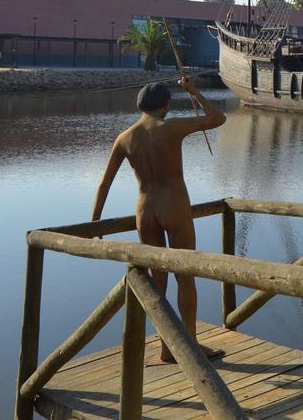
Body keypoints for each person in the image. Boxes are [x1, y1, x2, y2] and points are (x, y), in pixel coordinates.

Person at [92, 77, 227, 364]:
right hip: (174, 206)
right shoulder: (172, 127)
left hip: (145, 211)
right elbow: (218, 118)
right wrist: (193, 91)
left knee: (157, 282)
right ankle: (190, 347)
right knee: (185, 276)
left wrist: (95, 223)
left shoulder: (125, 138)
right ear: (165, 106)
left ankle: (167, 347)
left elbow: (104, 184)